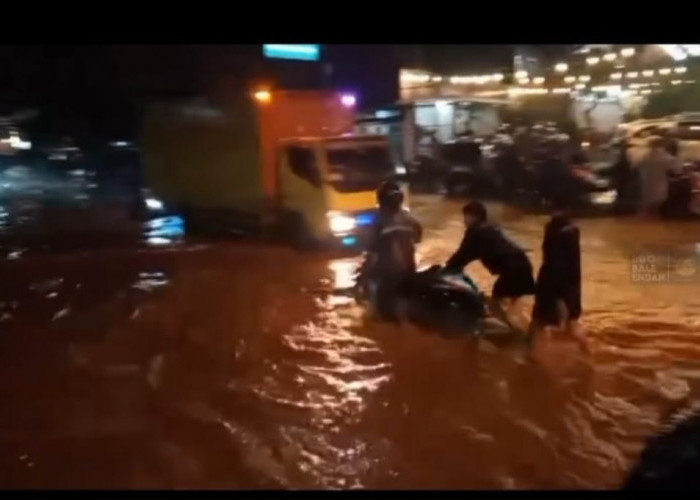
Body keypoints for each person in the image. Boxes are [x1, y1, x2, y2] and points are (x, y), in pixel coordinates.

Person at [444, 201, 535, 331]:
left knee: (496, 303)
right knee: (512, 306)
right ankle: (523, 330)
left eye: (465, 217)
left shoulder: (476, 231)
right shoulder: (492, 227)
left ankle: (511, 333)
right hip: (524, 265)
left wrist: (447, 268)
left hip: (512, 270)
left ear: (473, 216)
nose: (464, 221)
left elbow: (462, 254)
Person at [360, 180, 422, 321]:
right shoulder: (412, 220)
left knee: (377, 318)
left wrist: (362, 279)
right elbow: (417, 240)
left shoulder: (377, 221)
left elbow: (372, 254)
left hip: (384, 277)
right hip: (409, 272)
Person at [530, 209, 582, 343]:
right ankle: (587, 356)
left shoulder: (557, 240)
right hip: (571, 289)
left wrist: (558, 299)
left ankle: (532, 355)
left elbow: (554, 267)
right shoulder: (572, 238)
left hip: (552, 288)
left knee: (539, 325)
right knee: (570, 327)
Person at [637, 136, 683, 216]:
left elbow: (637, 167)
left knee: (647, 209)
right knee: (656, 209)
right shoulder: (666, 157)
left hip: (645, 186)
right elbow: (677, 171)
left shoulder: (644, 157)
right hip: (660, 186)